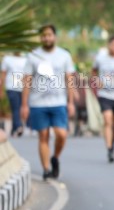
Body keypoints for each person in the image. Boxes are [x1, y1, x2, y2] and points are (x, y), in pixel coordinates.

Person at [20, 24, 76, 180]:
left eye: (49, 35)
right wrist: (24, 105)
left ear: (55, 37)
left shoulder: (64, 55)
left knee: (61, 134)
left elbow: (69, 79)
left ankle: (55, 157)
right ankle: (46, 169)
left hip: (59, 102)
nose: (47, 38)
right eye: (44, 35)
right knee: (43, 135)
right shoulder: (33, 56)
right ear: (40, 38)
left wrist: (71, 102)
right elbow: (27, 81)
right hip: (38, 103)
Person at [1, 51, 27, 136]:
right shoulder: (7, 59)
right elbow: (3, 74)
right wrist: (1, 89)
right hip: (11, 87)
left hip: (22, 87)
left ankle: (13, 129)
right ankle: (19, 126)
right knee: (15, 107)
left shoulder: (25, 59)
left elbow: (28, 75)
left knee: (18, 108)